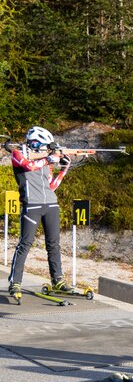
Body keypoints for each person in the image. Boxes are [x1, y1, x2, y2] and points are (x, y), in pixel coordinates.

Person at [4, 126, 72, 297]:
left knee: (54, 245)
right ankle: (15, 282)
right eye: (44, 145)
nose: (46, 149)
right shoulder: (18, 154)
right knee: (25, 244)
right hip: (31, 205)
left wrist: (63, 170)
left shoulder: (45, 162)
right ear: (35, 143)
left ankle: (58, 280)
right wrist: (49, 158)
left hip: (50, 204)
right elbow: (29, 165)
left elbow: (51, 187)